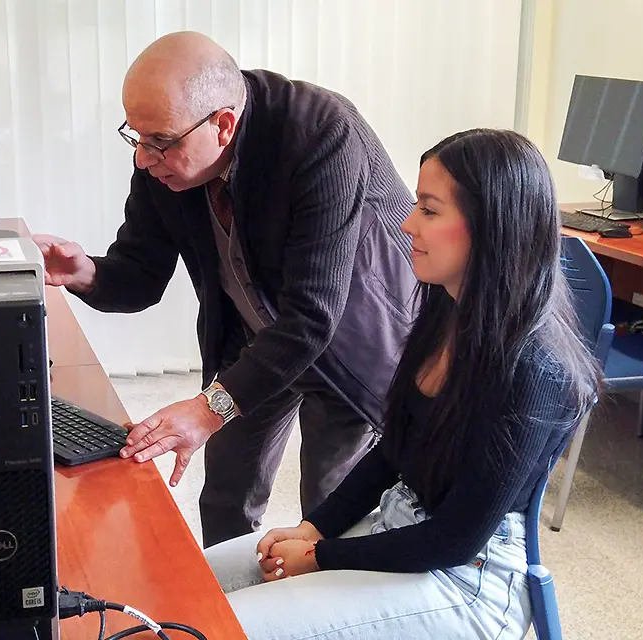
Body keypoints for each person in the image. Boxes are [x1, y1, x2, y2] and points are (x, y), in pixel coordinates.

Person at [203, 128, 602, 639]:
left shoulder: (534, 370)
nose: (408, 224)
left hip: (467, 580)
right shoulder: (443, 315)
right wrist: (314, 528)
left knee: (221, 628)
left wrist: (321, 557)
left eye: (430, 211)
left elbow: (455, 538)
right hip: (404, 529)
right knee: (199, 582)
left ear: (492, 227)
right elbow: (391, 453)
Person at [35, 31, 417, 548]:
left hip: (350, 347)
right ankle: (229, 617)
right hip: (256, 338)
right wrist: (84, 272)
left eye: (159, 143)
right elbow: (140, 274)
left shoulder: (321, 133)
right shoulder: (163, 155)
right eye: (136, 137)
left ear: (223, 125)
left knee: (329, 514)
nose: (144, 159)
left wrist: (206, 408)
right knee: (225, 497)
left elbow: (312, 317)